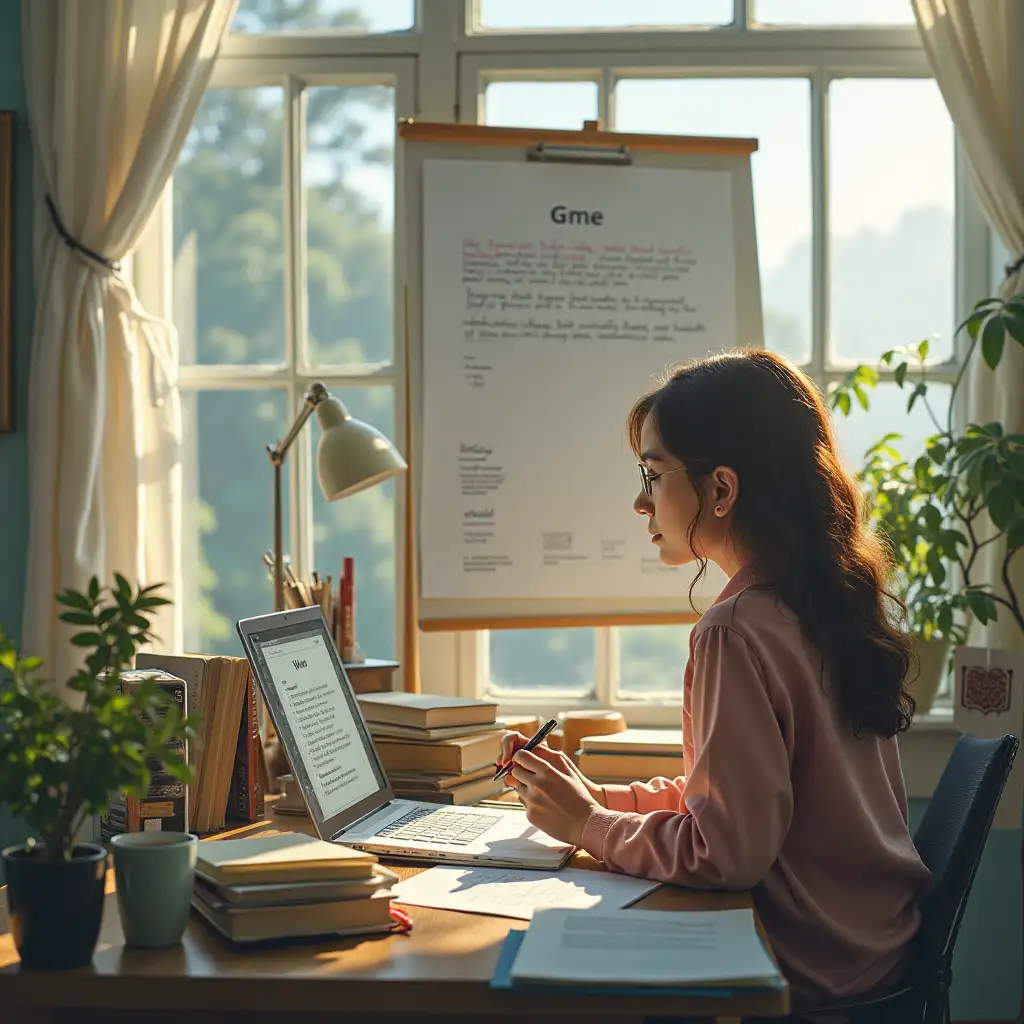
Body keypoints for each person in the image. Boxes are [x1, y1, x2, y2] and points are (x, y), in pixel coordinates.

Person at [498, 350, 932, 1015]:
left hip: (806, 969)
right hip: (870, 952)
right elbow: (736, 802)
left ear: (722, 490)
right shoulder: (816, 600)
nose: (641, 500)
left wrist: (588, 823)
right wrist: (600, 798)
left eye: (652, 473)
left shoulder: (735, 631)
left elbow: (725, 854)